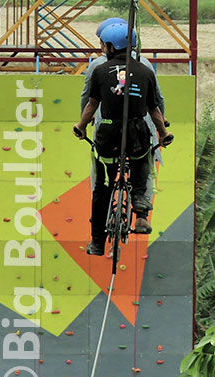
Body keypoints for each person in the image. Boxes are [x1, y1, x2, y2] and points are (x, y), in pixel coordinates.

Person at [73, 19, 171, 256]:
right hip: (138, 132)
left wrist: (82, 125)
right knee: (143, 164)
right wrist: (164, 131)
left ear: (108, 45)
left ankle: (97, 242)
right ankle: (141, 212)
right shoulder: (145, 68)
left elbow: (90, 101)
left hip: (106, 133)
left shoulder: (97, 68)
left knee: (101, 186)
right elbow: (155, 106)